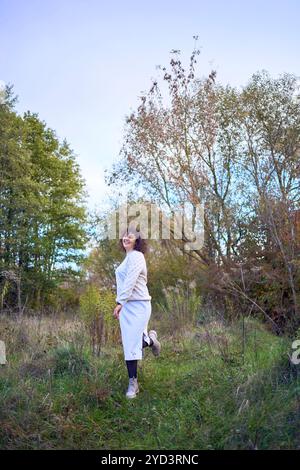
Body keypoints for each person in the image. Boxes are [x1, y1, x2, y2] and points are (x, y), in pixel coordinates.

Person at [113, 228, 161, 399]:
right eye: (124, 235)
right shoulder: (127, 258)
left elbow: (131, 280)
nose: (126, 238)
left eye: (130, 236)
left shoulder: (137, 257)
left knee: (135, 342)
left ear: (137, 241)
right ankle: (133, 382)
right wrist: (122, 303)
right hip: (127, 308)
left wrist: (120, 302)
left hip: (139, 305)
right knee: (129, 345)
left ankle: (151, 340)